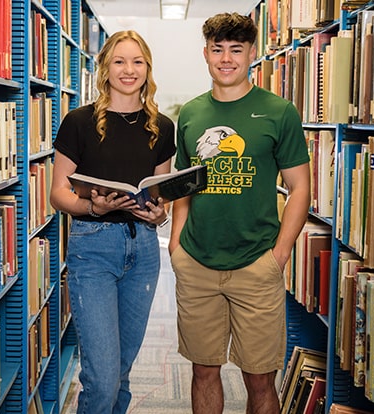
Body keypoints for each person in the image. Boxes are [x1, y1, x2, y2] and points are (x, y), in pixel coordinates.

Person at [168, 12, 311, 414]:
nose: (226, 58)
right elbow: (185, 184)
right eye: (218, 50)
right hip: (197, 262)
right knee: (203, 372)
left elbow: (301, 188)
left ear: (251, 53)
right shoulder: (192, 114)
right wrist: (177, 244)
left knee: (261, 379)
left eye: (236, 49)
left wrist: (279, 254)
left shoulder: (279, 111)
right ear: (206, 54)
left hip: (256, 263)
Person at [50, 30, 176, 414]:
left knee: (121, 371)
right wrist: (93, 209)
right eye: (119, 61)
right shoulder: (79, 121)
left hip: (143, 249)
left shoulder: (162, 127)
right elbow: (58, 193)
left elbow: (161, 197)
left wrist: (159, 214)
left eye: (137, 61)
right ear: (105, 67)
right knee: (102, 378)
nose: (128, 69)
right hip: (94, 247)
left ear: (148, 69)